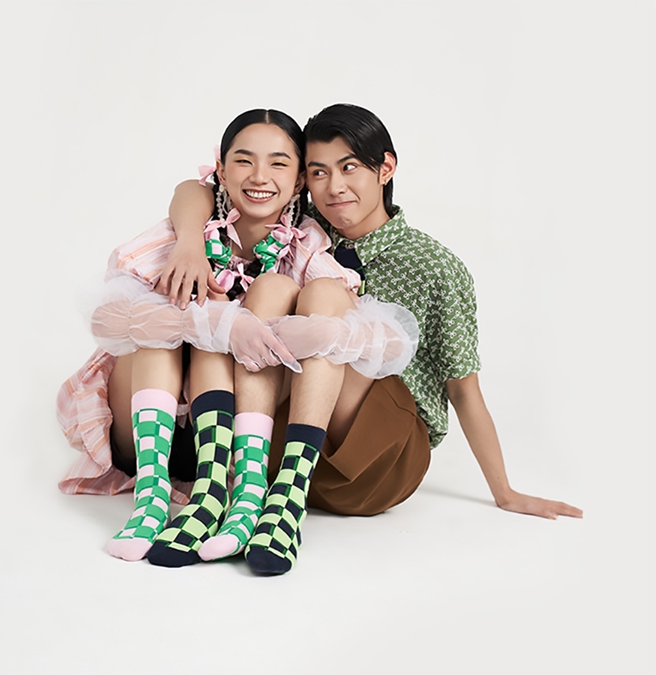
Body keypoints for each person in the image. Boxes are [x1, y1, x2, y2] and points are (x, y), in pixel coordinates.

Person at [162, 103, 583, 574]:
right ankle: (245, 491)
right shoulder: (297, 227)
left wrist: (504, 492)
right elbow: (197, 190)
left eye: (349, 168)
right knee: (264, 296)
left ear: (385, 168)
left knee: (324, 295)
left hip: (378, 455)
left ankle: (276, 494)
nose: (333, 187)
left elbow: (464, 389)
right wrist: (190, 241)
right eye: (318, 172)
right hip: (286, 439)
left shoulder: (434, 265)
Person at [57, 108, 417, 567]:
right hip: (151, 427)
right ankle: (150, 500)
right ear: (221, 172)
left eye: (279, 163)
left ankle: (249, 495)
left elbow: (381, 336)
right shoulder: (186, 231)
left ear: (299, 181)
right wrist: (215, 315)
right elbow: (106, 318)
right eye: (244, 161)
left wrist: (313, 331)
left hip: (236, 433)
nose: (259, 176)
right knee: (164, 307)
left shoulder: (304, 245)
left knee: (284, 290)